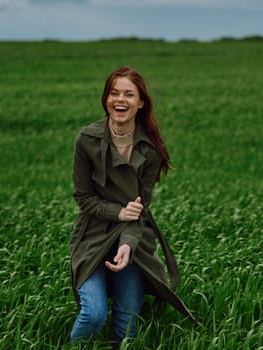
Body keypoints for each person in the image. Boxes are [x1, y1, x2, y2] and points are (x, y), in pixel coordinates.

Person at [69, 66, 195, 348]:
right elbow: (83, 197)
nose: (120, 100)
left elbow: (140, 209)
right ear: (105, 99)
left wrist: (127, 244)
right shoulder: (87, 139)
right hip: (93, 237)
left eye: (128, 94)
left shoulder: (150, 149)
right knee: (94, 314)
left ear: (140, 103)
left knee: (126, 325)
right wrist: (117, 212)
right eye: (114, 93)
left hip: (133, 239)